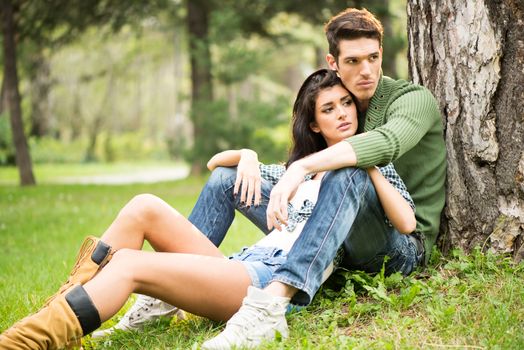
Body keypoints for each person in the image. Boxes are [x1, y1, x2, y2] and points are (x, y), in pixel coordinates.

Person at [0, 69, 416, 349]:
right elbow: (222, 168)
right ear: (313, 124)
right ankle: (67, 308)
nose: (342, 113)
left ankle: (22, 342)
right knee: (143, 206)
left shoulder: (366, 169)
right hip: (243, 262)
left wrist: (365, 159)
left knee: (127, 264)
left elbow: (406, 221)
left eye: (346, 104)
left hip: (267, 282)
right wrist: (249, 154)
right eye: (329, 109)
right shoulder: (299, 172)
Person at [199, 7, 446, 349]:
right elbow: (287, 170)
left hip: (397, 243)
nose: (366, 71)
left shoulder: (412, 100)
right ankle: (175, 286)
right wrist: (249, 157)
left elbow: (386, 144)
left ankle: (275, 300)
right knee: (226, 180)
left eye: (373, 58)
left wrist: (301, 169)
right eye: (353, 61)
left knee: (349, 170)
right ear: (334, 63)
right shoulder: (345, 105)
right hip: (336, 232)